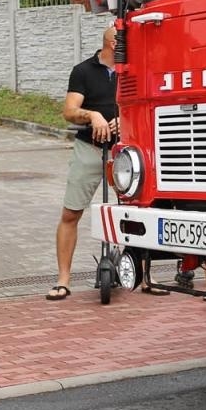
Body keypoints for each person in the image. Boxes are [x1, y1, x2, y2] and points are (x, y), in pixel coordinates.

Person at [50, 26, 165, 299]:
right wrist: (92, 116)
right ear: (114, 43)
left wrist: (125, 121)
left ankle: (146, 277)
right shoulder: (83, 71)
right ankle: (63, 280)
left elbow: (149, 106)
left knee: (138, 213)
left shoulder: (136, 70)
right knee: (70, 213)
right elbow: (69, 111)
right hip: (89, 148)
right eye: (126, 41)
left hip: (128, 153)